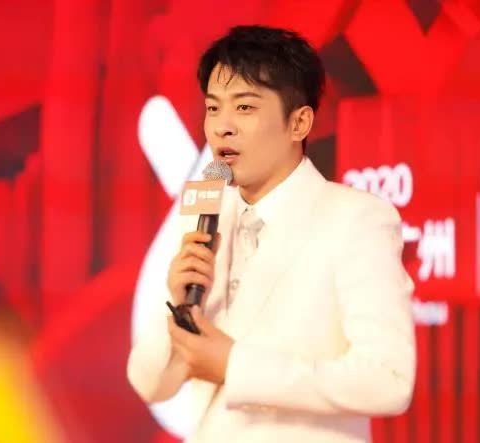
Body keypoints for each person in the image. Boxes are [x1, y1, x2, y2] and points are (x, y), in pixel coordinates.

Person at [128, 25, 415, 442]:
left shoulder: (357, 219)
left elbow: (389, 380)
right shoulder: (206, 215)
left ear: (299, 122)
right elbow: (151, 384)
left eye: (244, 107)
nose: (222, 127)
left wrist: (235, 365)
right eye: (213, 108)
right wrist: (177, 303)